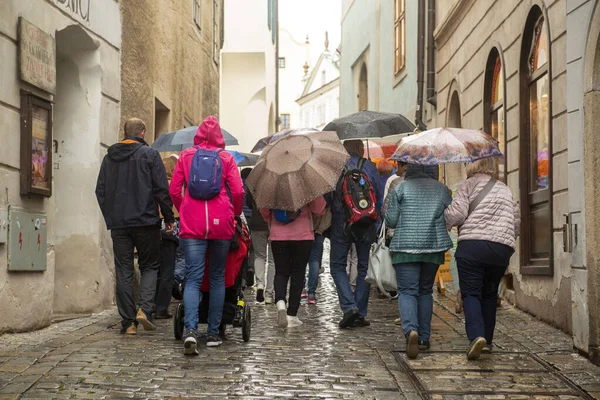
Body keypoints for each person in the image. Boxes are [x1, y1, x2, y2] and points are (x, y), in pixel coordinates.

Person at [170, 116, 244, 354]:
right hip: (221, 222)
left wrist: (184, 207)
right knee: (217, 277)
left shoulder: (186, 156)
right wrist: (236, 213)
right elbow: (239, 190)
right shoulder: (226, 158)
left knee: (192, 278)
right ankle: (213, 333)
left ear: (199, 134)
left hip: (192, 224)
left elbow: (173, 189)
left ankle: (191, 330)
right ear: (219, 136)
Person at [95, 118, 174, 335]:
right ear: (143, 132)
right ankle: (145, 311)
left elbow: (100, 191)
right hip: (146, 221)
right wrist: (169, 218)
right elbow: (161, 190)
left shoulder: (109, 158)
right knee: (149, 266)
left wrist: (111, 216)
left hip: (119, 224)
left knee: (124, 269)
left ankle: (128, 322)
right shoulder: (150, 155)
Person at [444, 158, 520, 360]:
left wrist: (446, 219)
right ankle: (487, 340)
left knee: (471, 293)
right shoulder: (505, 189)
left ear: (472, 165)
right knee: (489, 293)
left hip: (472, 247)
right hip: (500, 250)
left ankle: (477, 336)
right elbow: (516, 221)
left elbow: (457, 215)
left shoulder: (466, 185)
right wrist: (506, 242)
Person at [385, 164, 452, 359]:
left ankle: (410, 331)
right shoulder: (441, 189)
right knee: (425, 291)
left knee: (407, 291)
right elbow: (449, 216)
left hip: (405, 246)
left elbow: (391, 221)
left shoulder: (400, 188)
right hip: (432, 246)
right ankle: (423, 338)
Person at [330, 140, 381, 329]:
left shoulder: (336, 167)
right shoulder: (370, 167)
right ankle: (359, 311)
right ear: (361, 149)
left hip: (341, 223)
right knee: (364, 267)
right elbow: (379, 197)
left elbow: (329, 196)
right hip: (366, 222)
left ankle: (349, 308)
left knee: (337, 266)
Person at [261, 196, 326, 328]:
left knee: (281, 272)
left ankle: (280, 301)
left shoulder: (273, 185)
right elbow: (319, 209)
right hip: (302, 236)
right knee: (298, 273)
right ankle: (292, 315)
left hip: (278, 235)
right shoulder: (306, 184)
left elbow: (264, 211)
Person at [155, 155, 180, 319]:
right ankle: (161, 307)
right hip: (171, 227)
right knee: (167, 269)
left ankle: (148, 303)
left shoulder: (156, 184)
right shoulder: (177, 187)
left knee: (151, 268)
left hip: (153, 226)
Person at [247, 190, 276, 304]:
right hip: (274, 224)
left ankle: (260, 284)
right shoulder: (278, 182)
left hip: (257, 223)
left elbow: (249, 202)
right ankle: (269, 293)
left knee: (259, 256)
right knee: (273, 261)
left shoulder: (255, 182)